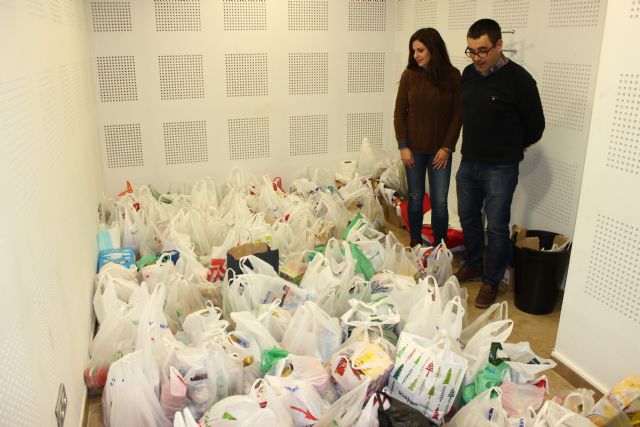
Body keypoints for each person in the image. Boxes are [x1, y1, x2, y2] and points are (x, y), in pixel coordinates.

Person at [455, 18, 545, 308]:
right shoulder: (468, 74)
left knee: (495, 227)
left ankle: (491, 281)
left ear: (499, 45)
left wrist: (511, 149)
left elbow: (535, 126)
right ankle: (472, 263)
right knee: (468, 218)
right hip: (469, 162)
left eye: (483, 50)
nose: (477, 58)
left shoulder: (519, 80)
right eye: (471, 51)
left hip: (500, 168)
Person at [393, 28, 462, 248]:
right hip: (413, 151)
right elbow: (399, 113)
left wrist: (447, 148)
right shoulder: (409, 76)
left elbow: (457, 116)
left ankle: (439, 249)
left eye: (420, 50)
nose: (416, 55)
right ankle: (414, 243)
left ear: (434, 49)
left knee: (440, 203)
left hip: (440, 152)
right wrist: (403, 146)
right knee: (415, 198)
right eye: (413, 51)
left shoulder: (452, 76)